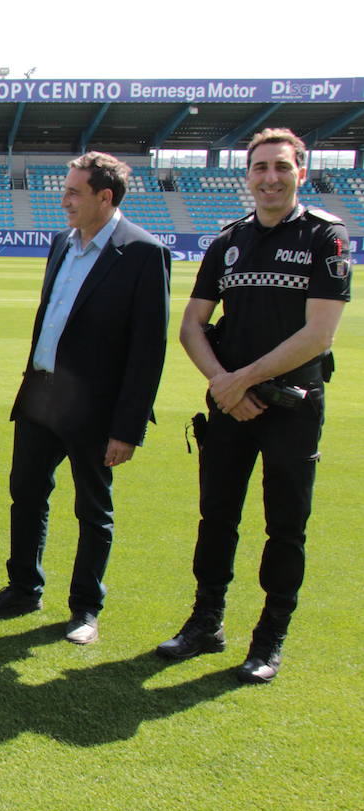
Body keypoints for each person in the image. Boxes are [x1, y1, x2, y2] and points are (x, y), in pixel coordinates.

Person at [156, 128, 350, 683]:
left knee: (285, 527)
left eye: (281, 168)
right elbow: (192, 325)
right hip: (230, 406)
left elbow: (319, 336)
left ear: (301, 173)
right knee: (217, 517)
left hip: (292, 406)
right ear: (247, 177)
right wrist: (225, 385)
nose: (270, 178)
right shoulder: (228, 241)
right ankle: (205, 625)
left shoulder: (325, 238)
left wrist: (240, 380)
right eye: (260, 168)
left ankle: (268, 641)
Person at [0, 152, 169, 645]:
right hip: (41, 392)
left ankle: (84, 609)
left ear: (106, 197)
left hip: (95, 407)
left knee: (92, 509)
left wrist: (128, 428)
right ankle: (23, 588)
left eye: (75, 192)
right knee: (27, 494)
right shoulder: (61, 243)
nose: (64, 200)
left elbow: (149, 350)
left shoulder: (143, 252)